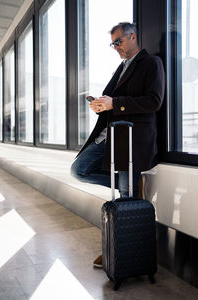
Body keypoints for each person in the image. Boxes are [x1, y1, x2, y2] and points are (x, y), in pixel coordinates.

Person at [71, 22, 165, 267]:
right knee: (79, 170)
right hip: (110, 135)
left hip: (130, 140)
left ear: (133, 37)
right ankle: (133, 193)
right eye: (112, 43)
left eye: (118, 42)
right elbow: (113, 102)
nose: (115, 47)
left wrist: (116, 104)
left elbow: (154, 101)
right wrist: (101, 105)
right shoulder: (121, 67)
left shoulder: (151, 63)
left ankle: (120, 252)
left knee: (123, 196)